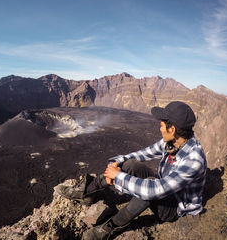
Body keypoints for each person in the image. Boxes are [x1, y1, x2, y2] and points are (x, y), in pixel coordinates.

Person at [55, 101, 207, 240]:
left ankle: (110, 227)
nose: (159, 128)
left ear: (172, 129)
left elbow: (154, 190)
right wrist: (116, 163)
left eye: (161, 125)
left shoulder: (193, 159)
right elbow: (143, 154)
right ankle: (86, 192)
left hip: (176, 207)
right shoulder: (174, 141)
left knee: (148, 187)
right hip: (165, 188)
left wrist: (118, 177)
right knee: (131, 164)